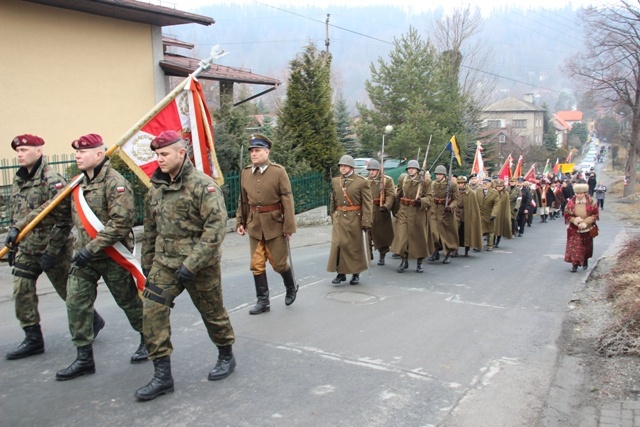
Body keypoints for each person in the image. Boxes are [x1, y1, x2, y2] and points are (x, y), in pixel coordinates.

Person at [137, 130, 236, 401]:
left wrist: (192, 263)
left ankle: (226, 354)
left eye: (165, 154)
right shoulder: (155, 189)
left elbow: (216, 228)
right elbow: (150, 229)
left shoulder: (203, 186)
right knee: (152, 311)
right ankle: (162, 375)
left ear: (181, 153)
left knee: (213, 313)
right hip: (164, 264)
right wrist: (147, 262)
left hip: (199, 266)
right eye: (157, 154)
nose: (160, 159)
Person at [4, 134, 105, 360]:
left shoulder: (53, 180)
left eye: (24, 150)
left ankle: (92, 320)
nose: (19, 155)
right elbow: (18, 214)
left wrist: (52, 251)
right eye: (18, 151)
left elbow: (64, 220)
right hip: (27, 249)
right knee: (21, 290)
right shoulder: (19, 179)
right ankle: (33, 338)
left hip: (54, 249)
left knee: (68, 293)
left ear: (38, 151)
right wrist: (14, 240)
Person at [56, 133, 147, 381]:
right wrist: (19, 228)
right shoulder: (77, 184)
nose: (77, 155)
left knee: (128, 301)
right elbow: (54, 209)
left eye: (83, 151)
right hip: (84, 257)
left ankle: (148, 338)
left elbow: (121, 223)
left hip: (110, 254)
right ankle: (84, 357)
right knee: (75, 302)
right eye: (76, 151)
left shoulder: (114, 183)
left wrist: (91, 248)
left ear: (98, 154)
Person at [236, 134, 297, 315]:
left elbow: (287, 199)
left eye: (257, 150)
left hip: (275, 225)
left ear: (267, 152)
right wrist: (240, 221)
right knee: (256, 264)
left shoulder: (278, 172)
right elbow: (243, 200)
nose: (253, 154)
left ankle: (290, 286)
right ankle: (263, 301)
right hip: (254, 225)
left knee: (279, 264)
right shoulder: (245, 173)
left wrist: (289, 227)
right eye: (251, 151)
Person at [327, 155, 373, 285]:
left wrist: (367, 221)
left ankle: (355, 274)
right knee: (338, 244)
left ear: (351, 167)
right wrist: (333, 214)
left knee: (353, 247)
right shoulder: (336, 181)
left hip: (355, 218)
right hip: (340, 217)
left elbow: (367, 203)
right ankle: (340, 273)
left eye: (345, 166)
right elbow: (333, 199)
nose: (342, 168)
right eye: (341, 166)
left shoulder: (361, 182)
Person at [390, 160, 433, 272]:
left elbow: (430, 198)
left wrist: (421, 201)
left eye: (413, 168)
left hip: (418, 212)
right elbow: (398, 195)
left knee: (419, 238)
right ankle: (404, 261)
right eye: (409, 168)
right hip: (404, 211)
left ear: (418, 170)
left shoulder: (425, 182)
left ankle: (419, 262)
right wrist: (394, 209)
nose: (411, 170)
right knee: (402, 236)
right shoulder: (404, 180)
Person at [426, 165, 460, 264]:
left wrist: (451, 206)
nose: (438, 176)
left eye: (440, 174)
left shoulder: (452, 185)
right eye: (437, 174)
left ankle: (448, 253)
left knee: (447, 235)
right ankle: (435, 251)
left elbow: (457, 199)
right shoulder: (433, 184)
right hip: (434, 211)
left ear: (444, 175)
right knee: (433, 233)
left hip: (446, 213)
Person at [564, 183, 599, 272]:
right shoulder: (571, 202)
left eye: (581, 193)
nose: (579, 195)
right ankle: (574, 264)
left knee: (586, 246)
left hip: (587, 227)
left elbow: (595, 214)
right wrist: (575, 220)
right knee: (574, 247)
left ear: (584, 193)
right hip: (574, 228)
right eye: (577, 193)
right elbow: (567, 214)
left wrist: (586, 222)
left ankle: (585, 260)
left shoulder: (591, 202)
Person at [365, 159, 395, 266]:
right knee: (367, 234)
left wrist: (386, 206)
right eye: (370, 170)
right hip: (368, 212)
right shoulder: (365, 181)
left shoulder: (386, 181)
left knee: (381, 236)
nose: (371, 172)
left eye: (374, 170)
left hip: (381, 212)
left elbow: (391, 195)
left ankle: (382, 256)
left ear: (378, 170)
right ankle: (368, 254)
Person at [455, 176, 482, 256]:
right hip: (456, 214)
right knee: (455, 231)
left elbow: (474, 206)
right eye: (458, 183)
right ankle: (455, 249)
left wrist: (473, 216)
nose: (460, 185)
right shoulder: (454, 192)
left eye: (461, 183)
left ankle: (467, 249)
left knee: (467, 231)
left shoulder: (470, 193)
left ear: (465, 183)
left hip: (467, 214)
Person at [477, 178, 500, 251]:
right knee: (479, 230)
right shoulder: (478, 191)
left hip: (489, 213)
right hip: (480, 213)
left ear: (490, 184)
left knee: (490, 230)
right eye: (483, 183)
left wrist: (494, 214)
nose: (484, 184)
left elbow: (497, 204)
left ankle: (490, 245)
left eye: (486, 183)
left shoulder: (494, 192)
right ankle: (479, 245)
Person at [492, 179, 513, 248]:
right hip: (494, 212)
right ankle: (492, 241)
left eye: (500, 186)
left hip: (501, 213)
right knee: (493, 228)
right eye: (498, 186)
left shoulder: (505, 194)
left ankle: (497, 242)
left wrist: (506, 214)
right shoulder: (493, 192)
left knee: (500, 228)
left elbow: (507, 205)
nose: (499, 188)